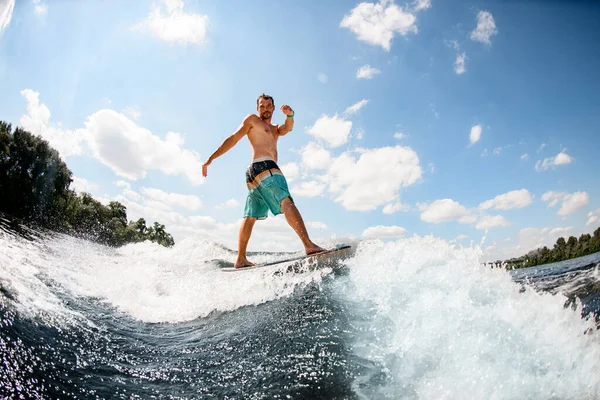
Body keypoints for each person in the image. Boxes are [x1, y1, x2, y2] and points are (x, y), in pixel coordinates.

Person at [202, 93, 325, 268]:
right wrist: (211, 158)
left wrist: (290, 115)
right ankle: (308, 245)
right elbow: (234, 138)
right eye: (262, 106)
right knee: (286, 200)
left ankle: (241, 258)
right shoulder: (252, 120)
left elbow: (287, 128)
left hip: (254, 174)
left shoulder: (275, 130)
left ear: (273, 108)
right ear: (257, 108)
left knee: (251, 215)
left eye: (268, 106)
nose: (265, 109)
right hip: (265, 167)